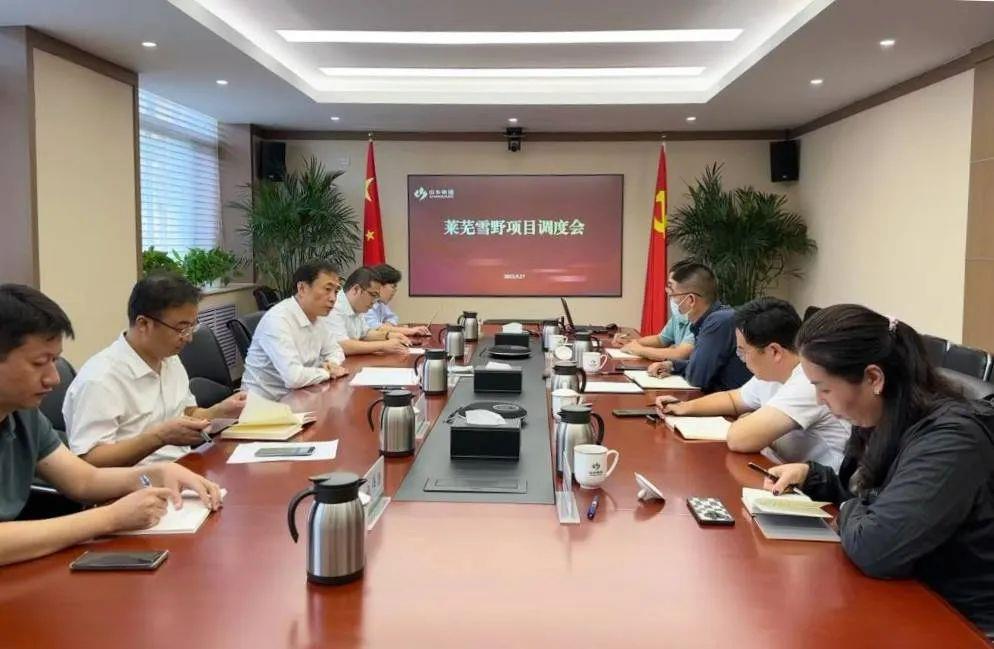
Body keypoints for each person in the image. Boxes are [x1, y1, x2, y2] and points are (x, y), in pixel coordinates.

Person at [763, 304, 994, 636]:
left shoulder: (951, 441)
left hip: (960, 623)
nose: (818, 400)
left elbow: (875, 548)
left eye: (824, 388)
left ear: (873, 378)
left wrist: (850, 506)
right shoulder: (884, 417)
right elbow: (874, 496)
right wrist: (814, 477)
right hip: (908, 596)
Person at [0, 284, 221, 567]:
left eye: (54, 361)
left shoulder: (24, 415)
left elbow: (83, 481)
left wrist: (157, 474)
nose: (53, 379)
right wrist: (110, 518)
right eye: (39, 363)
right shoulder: (99, 377)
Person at [63, 274, 246, 467]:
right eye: (181, 329)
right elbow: (90, 460)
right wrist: (159, 437)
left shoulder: (169, 359)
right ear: (143, 324)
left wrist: (220, 411)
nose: (189, 338)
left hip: (183, 466)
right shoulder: (100, 379)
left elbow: (186, 414)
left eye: (192, 327)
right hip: (136, 480)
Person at [655, 297, 850, 468]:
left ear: (774, 351)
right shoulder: (773, 373)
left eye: (743, 352)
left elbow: (739, 439)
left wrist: (752, 422)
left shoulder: (808, 382)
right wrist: (685, 407)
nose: (742, 359)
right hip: (781, 470)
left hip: (818, 493)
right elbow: (733, 399)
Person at [241, 260, 350, 400]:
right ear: (302, 288)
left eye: (336, 291)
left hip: (301, 395)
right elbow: (294, 378)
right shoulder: (278, 320)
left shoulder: (318, 316)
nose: (333, 298)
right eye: (327, 289)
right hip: (265, 404)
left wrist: (332, 364)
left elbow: (336, 350)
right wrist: (327, 372)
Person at [646, 263, 751, 392]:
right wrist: (672, 365)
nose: (670, 300)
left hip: (732, 402)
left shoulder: (718, 322)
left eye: (672, 294)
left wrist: (680, 366)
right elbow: (700, 365)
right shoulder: (712, 319)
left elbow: (697, 377)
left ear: (691, 300)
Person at [612, 260, 695, 362]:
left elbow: (679, 354)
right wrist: (631, 342)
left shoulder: (702, 320)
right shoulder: (680, 314)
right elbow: (661, 340)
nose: (669, 293)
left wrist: (639, 350)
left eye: (672, 288)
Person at [328, 266, 410, 356]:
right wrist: (383, 345)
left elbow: (365, 333)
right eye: (373, 295)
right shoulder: (334, 306)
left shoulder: (357, 307)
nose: (374, 301)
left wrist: (389, 335)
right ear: (356, 289)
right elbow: (343, 345)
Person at [365, 264, 431, 337]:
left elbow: (393, 317)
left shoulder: (380, 303)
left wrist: (388, 326)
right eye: (393, 286)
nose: (395, 291)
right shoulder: (366, 304)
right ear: (379, 285)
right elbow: (376, 328)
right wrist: (411, 331)